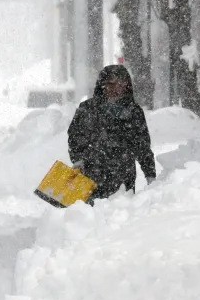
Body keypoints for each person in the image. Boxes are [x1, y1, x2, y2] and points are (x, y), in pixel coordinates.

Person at [67, 64, 156, 202]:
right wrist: (78, 160)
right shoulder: (87, 109)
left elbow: (142, 145)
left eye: (120, 84)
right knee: (87, 219)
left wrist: (150, 176)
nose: (115, 89)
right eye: (110, 84)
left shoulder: (134, 111)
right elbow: (75, 137)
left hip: (123, 180)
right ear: (102, 85)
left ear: (126, 86)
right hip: (91, 177)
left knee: (119, 218)